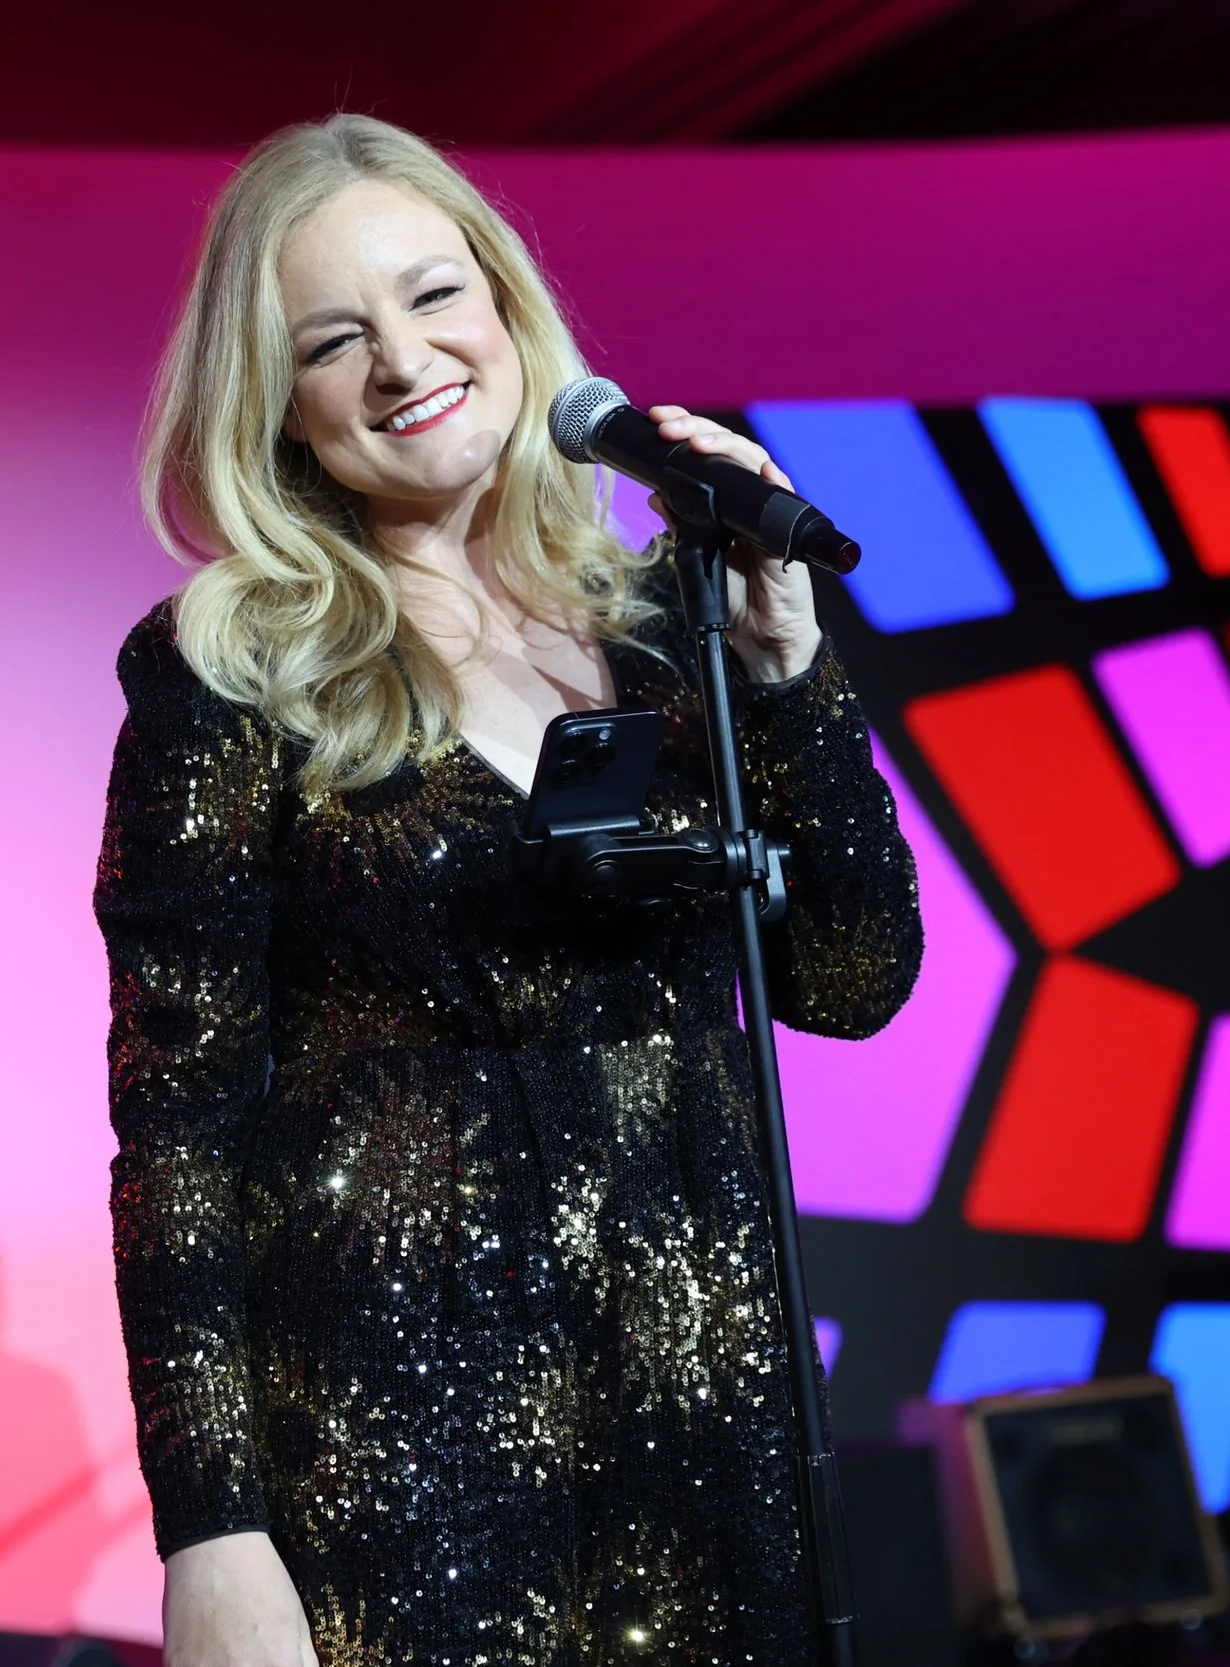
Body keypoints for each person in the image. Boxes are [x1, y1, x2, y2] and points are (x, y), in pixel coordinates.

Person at [96, 115, 921, 1667]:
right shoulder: (231, 666)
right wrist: (211, 1531)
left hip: (707, 1407)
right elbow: (177, 1126)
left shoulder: (671, 627)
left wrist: (789, 671)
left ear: (505, 304)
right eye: (333, 339)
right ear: (275, 402)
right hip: (411, 1445)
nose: (404, 361)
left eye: (432, 295)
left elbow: (851, 977)